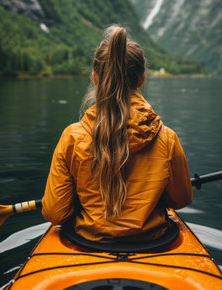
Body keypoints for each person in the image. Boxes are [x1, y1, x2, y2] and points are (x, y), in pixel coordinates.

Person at [42, 25, 192, 243]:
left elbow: (55, 214)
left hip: (88, 241)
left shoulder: (72, 138)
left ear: (95, 77)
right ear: (141, 78)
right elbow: (181, 200)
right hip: (154, 241)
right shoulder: (167, 138)